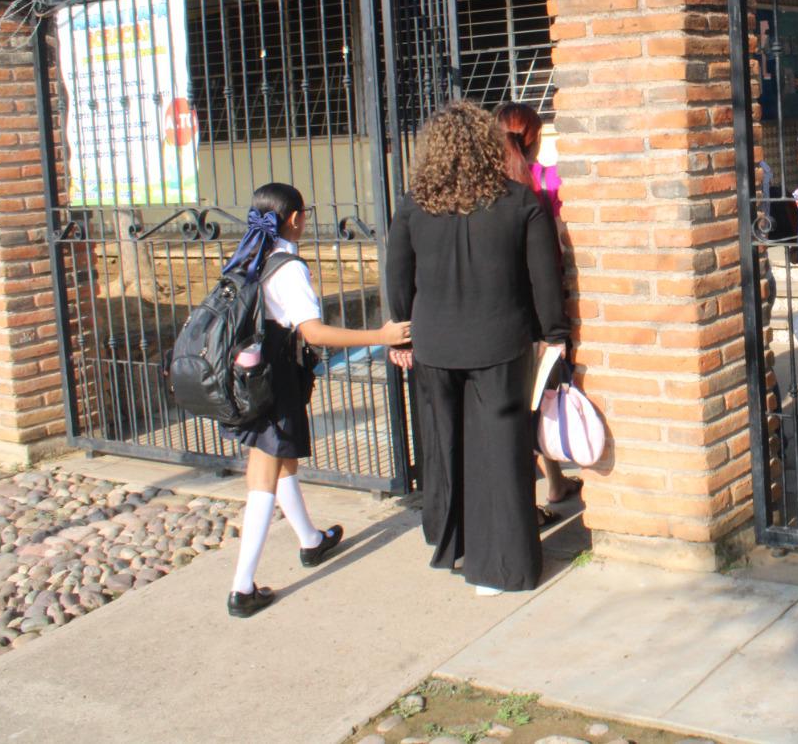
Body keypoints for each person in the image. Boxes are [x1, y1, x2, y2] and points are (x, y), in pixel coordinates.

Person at [387, 102, 569, 594]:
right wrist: (555, 334)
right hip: (500, 341)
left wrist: (400, 331)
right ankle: (499, 567)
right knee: (501, 454)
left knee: (445, 449)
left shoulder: (412, 205)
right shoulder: (520, 202)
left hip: (433, 344)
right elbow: (543, 281)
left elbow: (398, 278)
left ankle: (452, 546)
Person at [223, 184, 412, 618]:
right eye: (304, 215)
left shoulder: (251, 256)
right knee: (263, 476)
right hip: (276, 378)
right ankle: (242, 587)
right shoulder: (288, 267)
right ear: (294, 219)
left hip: (252, 373)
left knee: (280, 459)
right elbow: (314, 333)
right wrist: (379, 337)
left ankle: (310, 540)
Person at [495, 102, 580, 520]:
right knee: (539, 400)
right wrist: (557, 330)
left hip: (501, 315)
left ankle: (554, 483)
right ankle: (539, 495)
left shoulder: (487, 191)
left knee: (520, 406)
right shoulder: (537, 189)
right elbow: (555, 255)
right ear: (532, 142)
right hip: (536, 315)